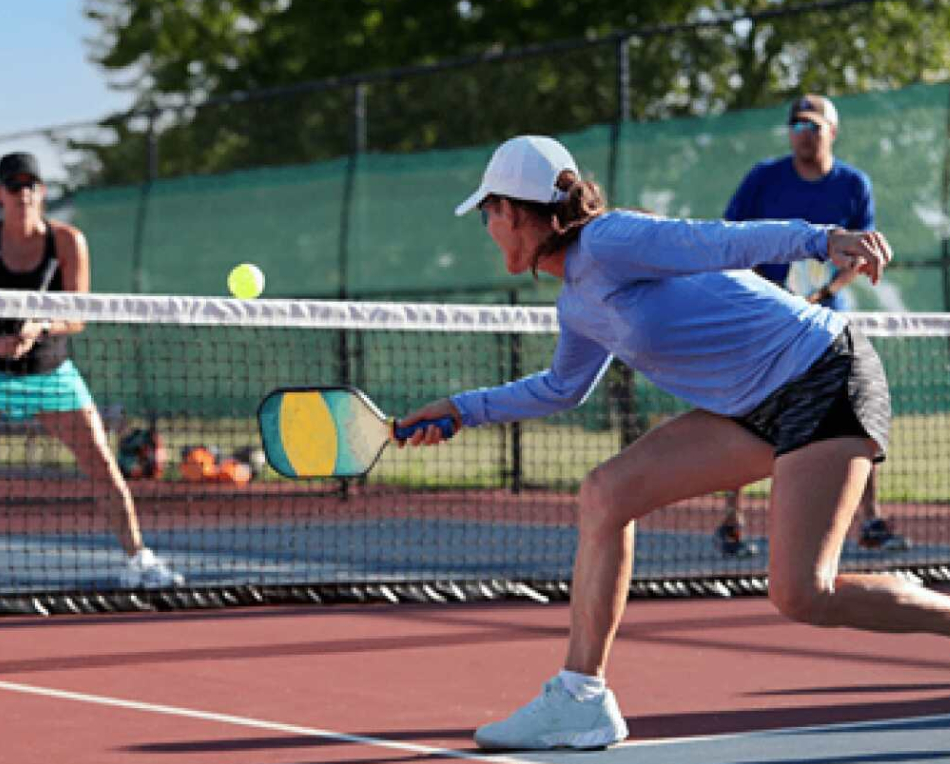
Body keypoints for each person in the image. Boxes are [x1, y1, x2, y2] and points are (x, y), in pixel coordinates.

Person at [397, 135, 950, 750]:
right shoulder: (578, 303)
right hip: (750, 406)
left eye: (488, 213)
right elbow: (562, 388)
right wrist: (460, 410)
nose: (488, 228)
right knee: (607, 493)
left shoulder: (609, 240)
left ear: (514, 211)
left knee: (803, 595)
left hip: (822, 374)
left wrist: (822, 239)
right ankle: (581, 698)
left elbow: (717, 241)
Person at [0, 152, 182, 596]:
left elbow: (78, 315)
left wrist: (41, 327)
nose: (24, 194)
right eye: (14, 186)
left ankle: (138, 560)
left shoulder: (67, 242)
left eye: (31, 185)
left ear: (43, 192)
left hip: (51, 372)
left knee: (103, 464)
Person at [715, 94, 908, 558]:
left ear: (832, 131)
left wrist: (819, 296)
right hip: (763, 318)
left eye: (813, 126)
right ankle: (732, 521)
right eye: (797, 126)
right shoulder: (763, 178)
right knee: (743, 408)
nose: (804, 134)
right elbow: (729, 238)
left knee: (858, 411)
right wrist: (762, 297)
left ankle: (870, 520)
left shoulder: (853, 184)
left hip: (826, 326)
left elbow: (860, 254)